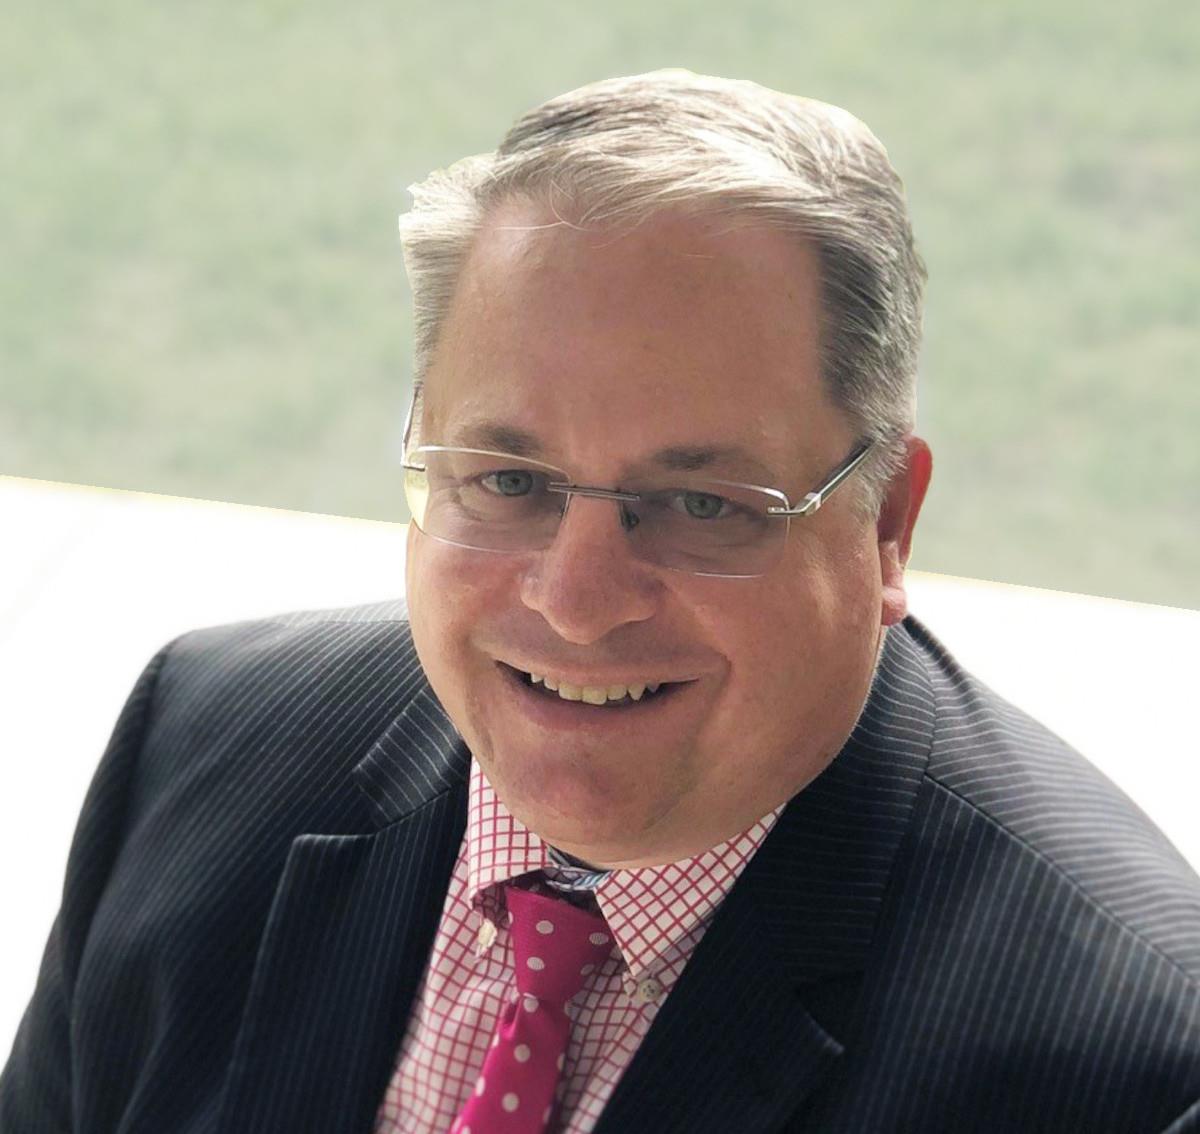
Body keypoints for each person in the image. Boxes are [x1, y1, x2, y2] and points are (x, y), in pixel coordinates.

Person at [2, 70, 1198, 1134]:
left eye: (701, 505)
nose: (576, 604)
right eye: (509, 482)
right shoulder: (200, 740)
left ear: (885, 524)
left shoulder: (1139, 1064)